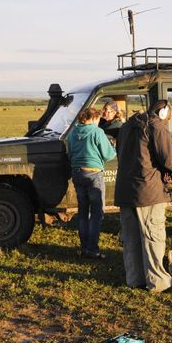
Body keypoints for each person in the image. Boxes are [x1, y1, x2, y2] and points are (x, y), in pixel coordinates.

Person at [115, 99, 172, 292]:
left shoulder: (127, 126)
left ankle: (135, 279)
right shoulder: (156, 127)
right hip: (148, 192)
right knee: (153, 236)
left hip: (125, 190)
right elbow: (168, 158)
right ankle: (157, 282)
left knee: (131, 237)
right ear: (163, 113)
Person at [66, 107, 116, 259]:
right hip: (93, 173)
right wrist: (113, 146)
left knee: (83, 212)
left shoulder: (73, 132)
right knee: (96, 213)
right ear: (94, 118)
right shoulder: (96, 132)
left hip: (77, 172)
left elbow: (70, 154)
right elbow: (109, 154)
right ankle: (93, 249)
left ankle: (84, 248)